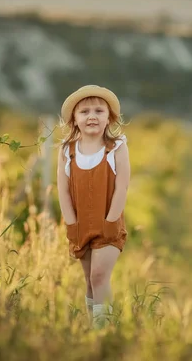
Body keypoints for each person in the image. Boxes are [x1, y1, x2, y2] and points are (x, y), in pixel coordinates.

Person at [56, 85, 130, 329]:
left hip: (108, 222)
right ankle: (93, 328)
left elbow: (121, 187)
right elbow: (63, 190)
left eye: (99, 111)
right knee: (89, 280)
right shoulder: (67, 151)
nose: (92, 116)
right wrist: (71, 225)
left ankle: (104, 330)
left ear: (108, 117)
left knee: (99, 276)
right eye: (84, 111)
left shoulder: (117, 146)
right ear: (74, 120)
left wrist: (111, 221)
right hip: (80, 225)